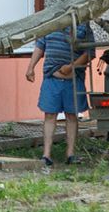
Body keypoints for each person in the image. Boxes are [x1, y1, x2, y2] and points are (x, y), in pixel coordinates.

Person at [24, 23, 93, 168]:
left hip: (73, 81)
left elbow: (89, 53)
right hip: (51, 79)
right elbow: (40, 46)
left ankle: (70, 154)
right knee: (49, 115)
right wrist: (30, 67)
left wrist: (70, 67)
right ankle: (46, 155)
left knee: (71, 116)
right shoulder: (50, 24)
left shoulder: (83, 27)